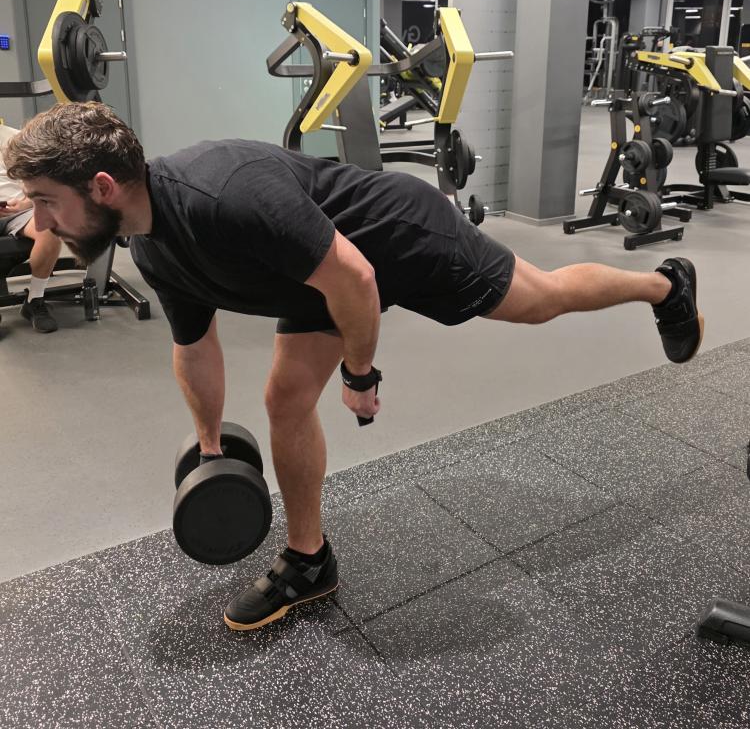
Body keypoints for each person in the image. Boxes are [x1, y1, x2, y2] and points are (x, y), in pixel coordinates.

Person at [3, 102, 703, 631]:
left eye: (45, 202)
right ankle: (309, 560)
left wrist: (360, 375)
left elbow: (358, 280)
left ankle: (664, 286)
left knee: (540, 300)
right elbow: (195, 347)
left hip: (396, 240)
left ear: (102, 186)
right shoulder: (153, 244)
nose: (40, 223)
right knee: (284, 399)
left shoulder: (227, 198)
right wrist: (211, 448)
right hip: (318, 276)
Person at [0, 123, 61, 333]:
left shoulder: (17, 139)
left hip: (17, 211)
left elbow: (40, 181)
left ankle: (35, 300)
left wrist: (25, 203)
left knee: (49, 229)